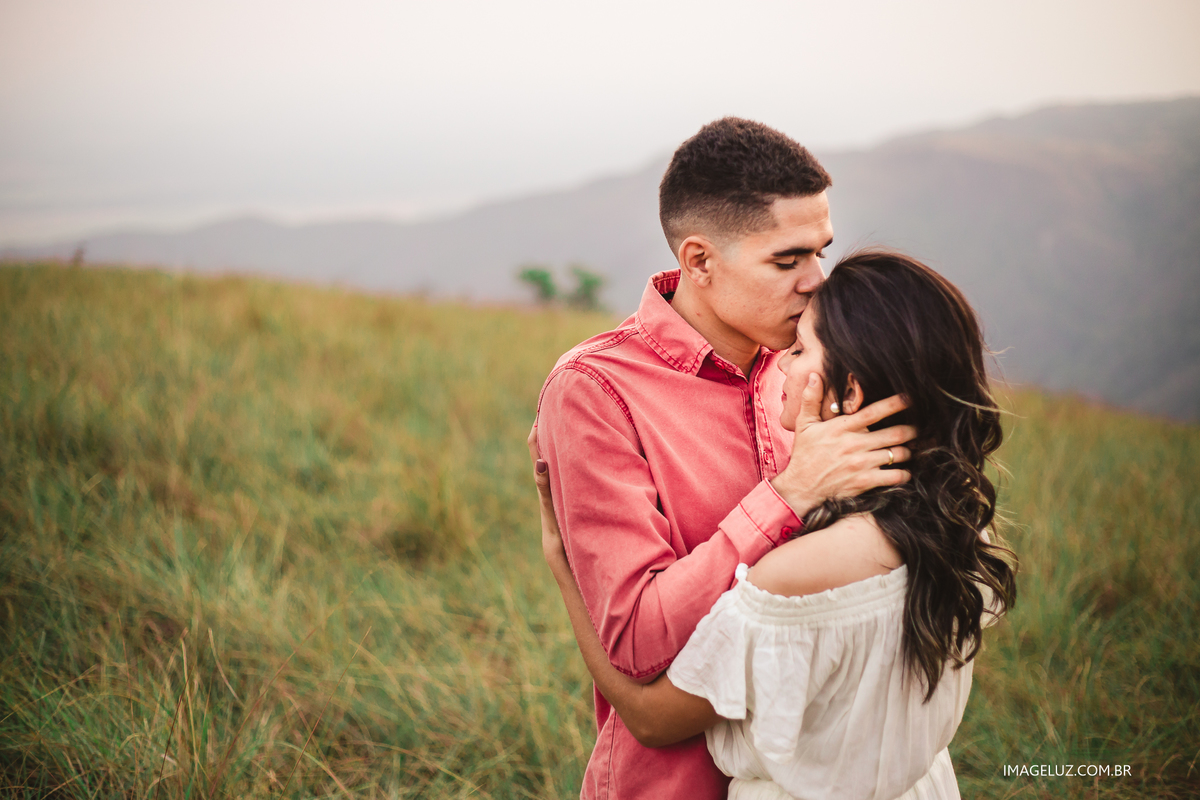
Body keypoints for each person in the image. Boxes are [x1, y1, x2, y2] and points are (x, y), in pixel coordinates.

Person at [533, 250, 1018, 800]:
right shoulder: (960, 527)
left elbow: (651, 719)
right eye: (790, 258)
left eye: (801, 349)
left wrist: (562, 564)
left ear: (851, 392)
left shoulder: (795, 576)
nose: (782, 362)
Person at [532, 118, 917, 799]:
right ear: (700, 261)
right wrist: (788, 496)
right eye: (787, 260)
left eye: (820, 252)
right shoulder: (594, 392)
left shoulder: (815, 366)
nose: (816, 282)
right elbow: (636, 641)